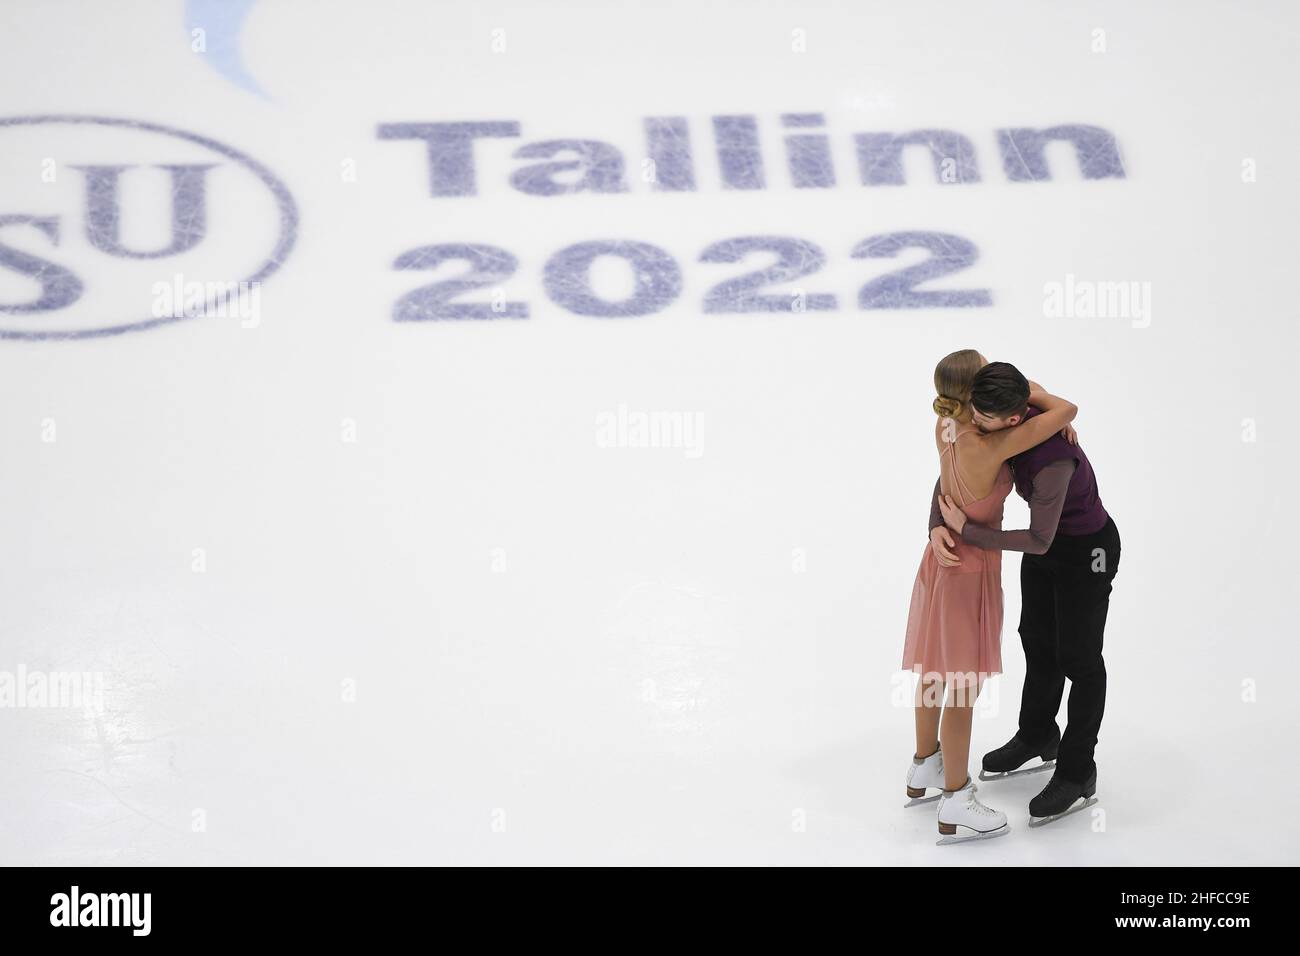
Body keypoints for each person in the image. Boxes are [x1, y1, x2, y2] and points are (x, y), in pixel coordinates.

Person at [932, 362, 1120, 826]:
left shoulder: (1052, 460)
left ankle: (1079, 772)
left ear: (1014, 421)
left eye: (983, 417)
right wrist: (937, 522)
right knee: (1036, 639)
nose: (973, 420)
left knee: (1080, 659)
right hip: (1047, 547)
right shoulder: (1011, 400)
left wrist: (969, 532)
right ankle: (1038, 734)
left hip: (1085, 551)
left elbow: (1038, 539)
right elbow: (953, 468)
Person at [903, 351, 1077, 844]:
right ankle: (957, 800)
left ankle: (925, 766)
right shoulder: (992, 443)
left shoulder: (946, 426)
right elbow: (1066, 409)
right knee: (961, 687)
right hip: (970, 571)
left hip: (940, 562)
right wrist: (1042, 410)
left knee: (934, 669)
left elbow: (943, 483)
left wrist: (935, 524)